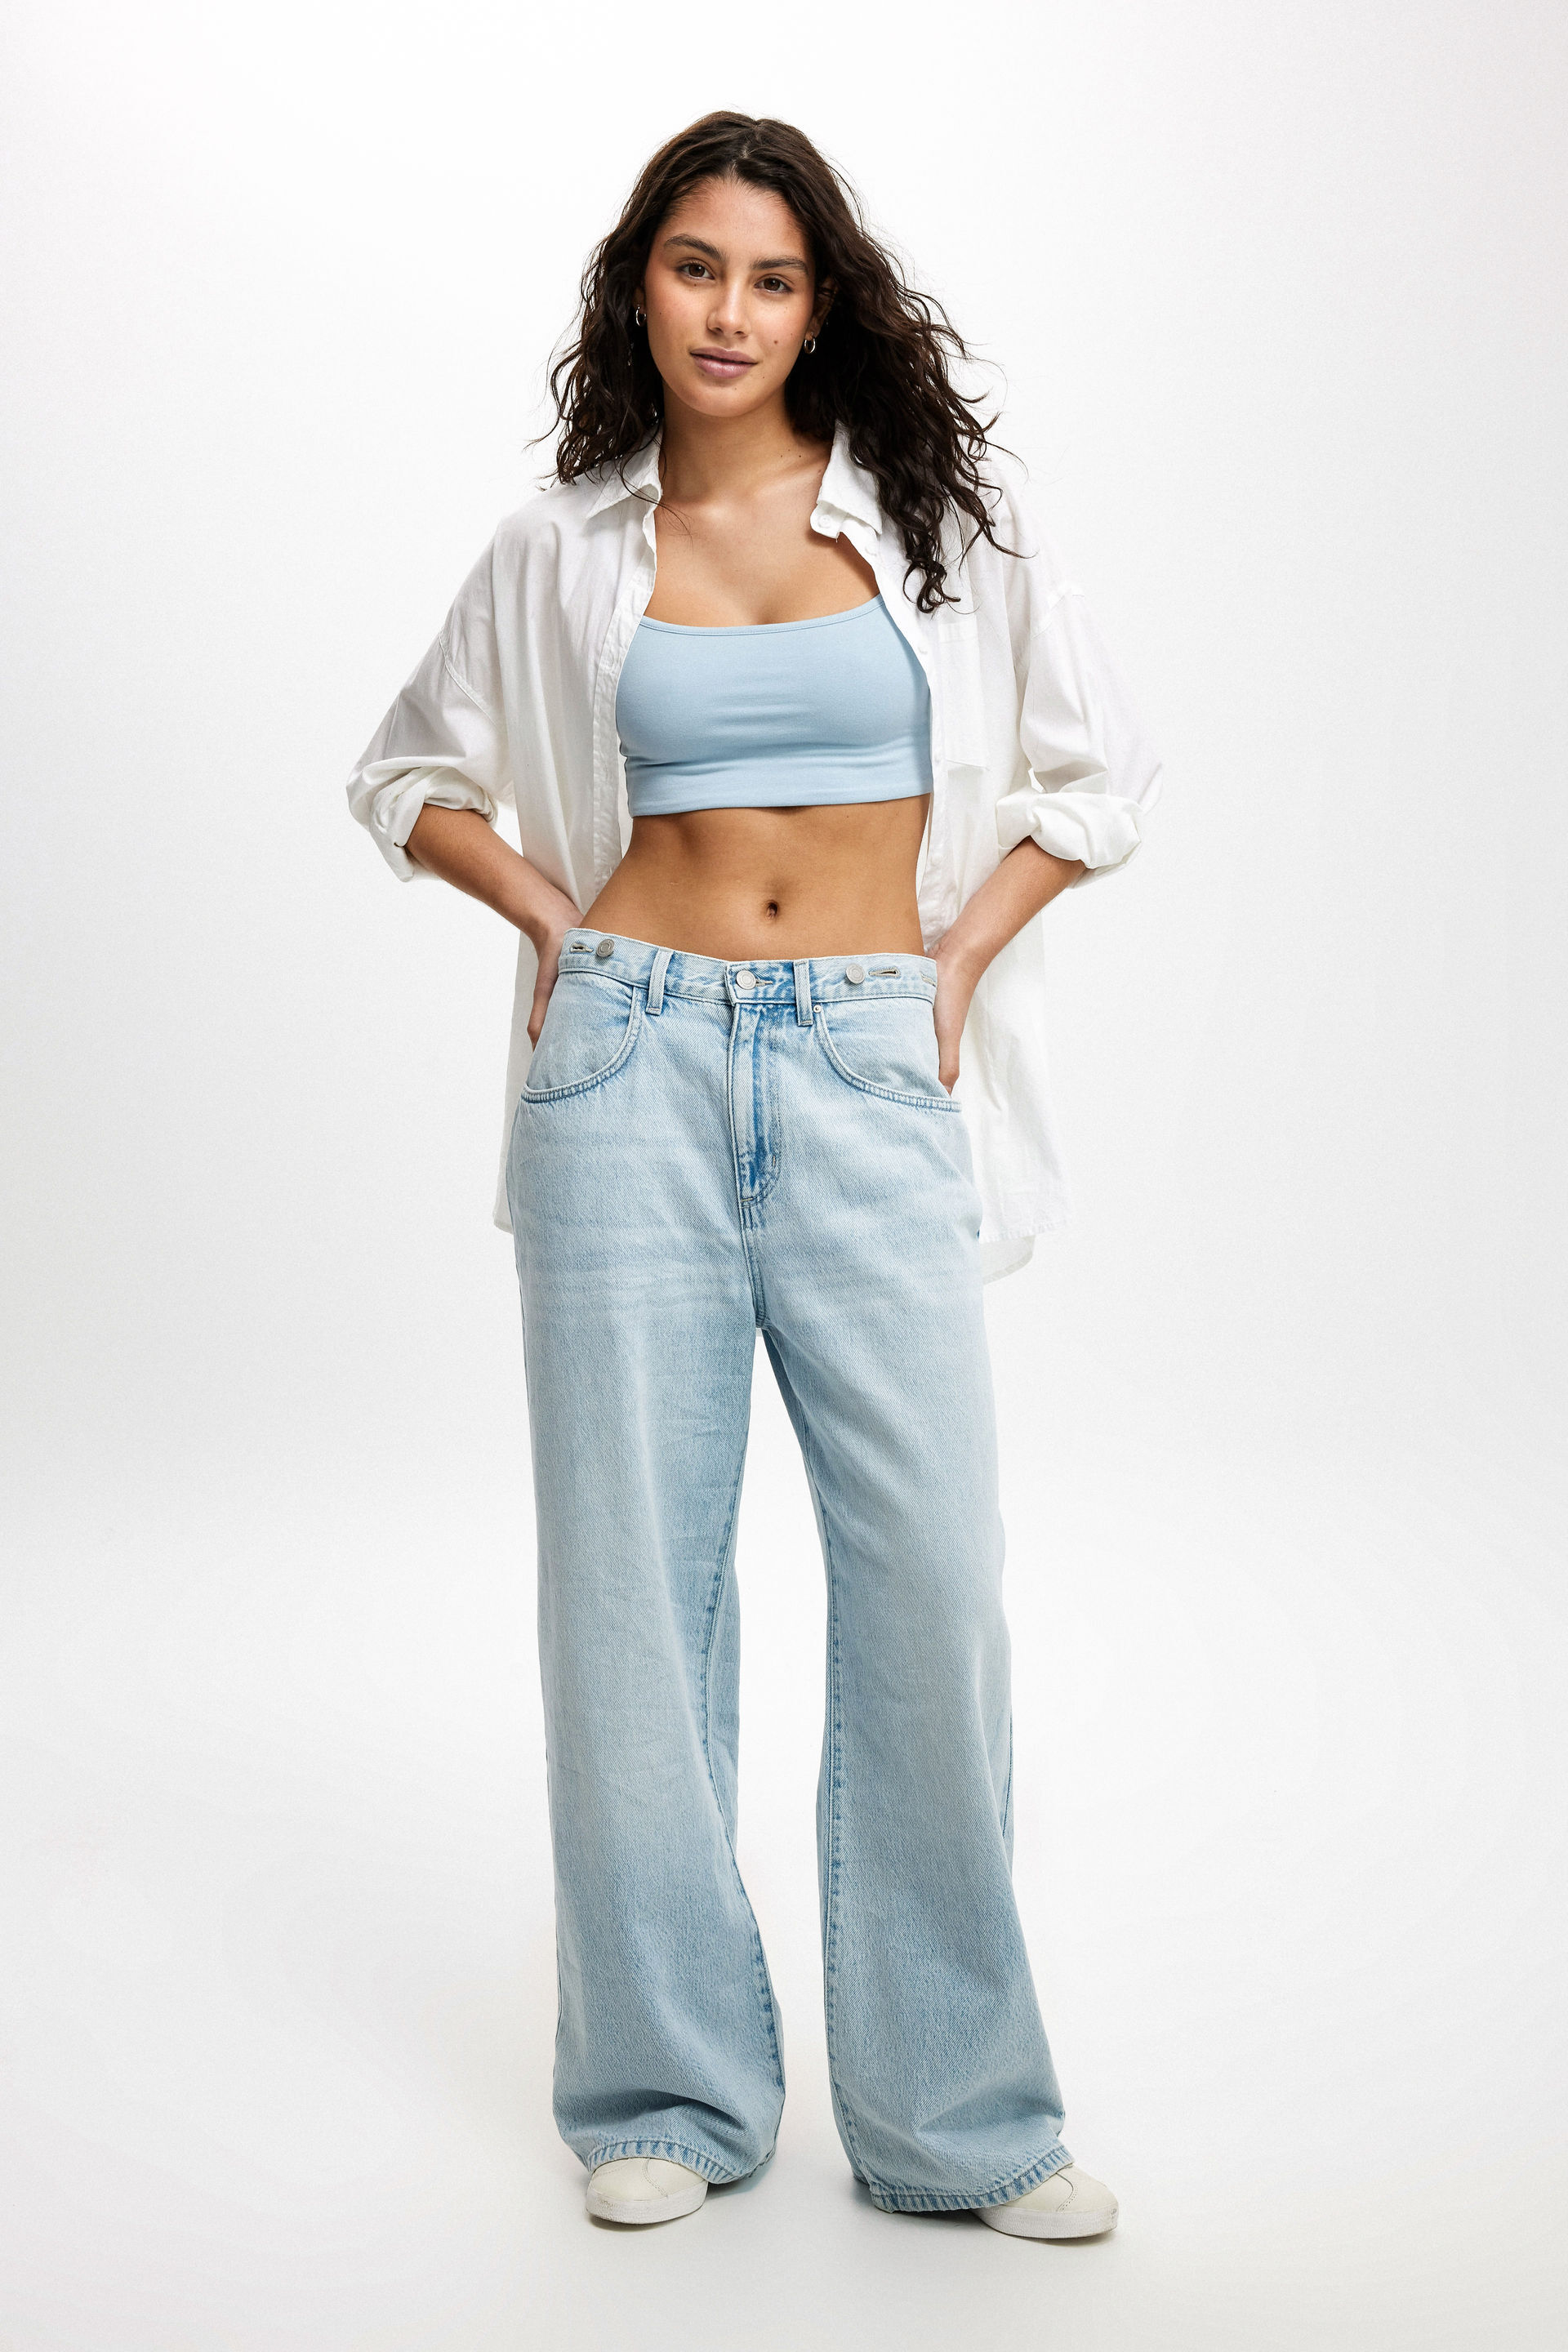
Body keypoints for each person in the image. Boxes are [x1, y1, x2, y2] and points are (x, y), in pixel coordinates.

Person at [347, 111, 1161, 2239]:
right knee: (632, 1594)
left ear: (823, 308)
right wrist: (550, 919)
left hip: (873, 1065)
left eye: (772, 278)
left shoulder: (940, 538)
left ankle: (961, 2122)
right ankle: (663, 2092)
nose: (729, 312)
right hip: (628, 1061)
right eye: (696, 267)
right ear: (642, 287)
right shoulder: (561, 548)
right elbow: (404, 770)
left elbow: (1098, 778)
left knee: (932, 1590)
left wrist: (954, 962)